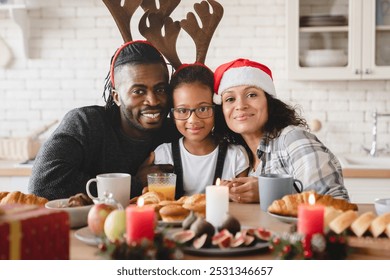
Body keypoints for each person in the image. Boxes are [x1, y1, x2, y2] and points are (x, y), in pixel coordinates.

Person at [28, 40, 179, 200]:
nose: (153, 101)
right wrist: (134, 184)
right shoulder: (85, 123)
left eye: (160, 89)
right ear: (116, 97)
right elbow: (42, 184)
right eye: (138, 91)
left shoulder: (176, 131)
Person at [213, 58, 350, 203]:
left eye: (252, 95)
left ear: (269, 102)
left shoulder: (293, 139)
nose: (240, 105)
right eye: (230, 99)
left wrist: (270, 192)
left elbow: (336, 203)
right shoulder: (242, 155)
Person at [153, 63, 249, 198]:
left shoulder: (236, 157)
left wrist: (233, 194)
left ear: (216, 110)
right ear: (172, 114)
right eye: (182, 110)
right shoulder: (163, 155)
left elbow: (242, 204)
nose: (193, 120)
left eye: (203, 109)